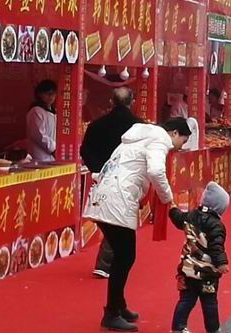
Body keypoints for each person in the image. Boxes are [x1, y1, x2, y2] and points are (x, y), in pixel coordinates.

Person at [87, 118, 190, 332]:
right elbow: (155, 171)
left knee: (122, 255)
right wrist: (167, 198)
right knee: (125, 256)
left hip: (104, 195)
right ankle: (112, 313)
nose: (181, 146)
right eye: (183, 139)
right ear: (174, 133)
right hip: (118, 199)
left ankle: (118, 305)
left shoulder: (134, 138)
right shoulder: (159, 139)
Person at [81, 87, 141, 279]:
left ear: (111, 102)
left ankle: (107, 262)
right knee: (119, 220)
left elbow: (85, 150)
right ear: (132, 102)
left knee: (108, 218)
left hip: (102, 177)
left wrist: (97, 170)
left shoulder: (96, 125)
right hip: (127, 179)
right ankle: (106, 263)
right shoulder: (139, 127)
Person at [169, 181, 229, 333]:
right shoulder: (217, 225)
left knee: (186, 300)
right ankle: (213, 329)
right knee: (209, 303)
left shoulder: (190, 216)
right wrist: (222, 263)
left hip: (188, 268)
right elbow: (216, 247)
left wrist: (172, 209)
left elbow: (178, 218)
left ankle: (178, 327)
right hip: (207, 272)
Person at [26, 80, 57, 163]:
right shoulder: (36, 111)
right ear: (40, 94)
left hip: (53, 157)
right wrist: (53, 149)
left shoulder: (54, 112)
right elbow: (39, 135)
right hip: (39, 157)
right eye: (48, 93)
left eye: (53, 93)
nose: (51, 96)